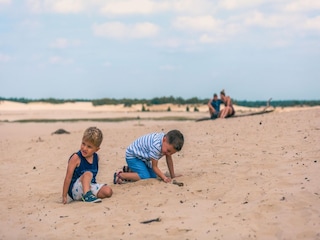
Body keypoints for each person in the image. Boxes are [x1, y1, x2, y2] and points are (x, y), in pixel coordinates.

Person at [62, 127, 113, 204]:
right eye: (83, 144)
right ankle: (87, 196)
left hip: (89, 186)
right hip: (75, 189)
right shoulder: (76, 158)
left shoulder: (96, 158)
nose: (84, 148)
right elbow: (68, 178)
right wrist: (64, 196)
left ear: (96, 149)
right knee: (88, 174)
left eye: (89, 147)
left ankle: (88, 194)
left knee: (108, 191)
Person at [113, 129, 184, 184]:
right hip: (133, 156)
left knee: (153, 176)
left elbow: (169, 159)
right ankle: (120, 175)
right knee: (145, 176)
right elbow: (154, 167)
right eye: (168, 150)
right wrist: (164, 178)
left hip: (142, 158)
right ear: (164, 139)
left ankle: (130, 170)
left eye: (171, 153)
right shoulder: (156, 146)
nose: (168, 153)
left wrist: (172, 176)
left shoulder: (164, 143)